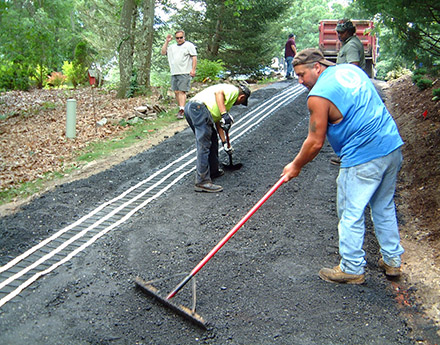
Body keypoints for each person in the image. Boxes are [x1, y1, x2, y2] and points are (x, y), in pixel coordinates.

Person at [282, 48, 404, 284]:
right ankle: (392, 260)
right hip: (391, 146)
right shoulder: (351, 70)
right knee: (383, 206)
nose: (299, 81)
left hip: (363, 156)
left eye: (301, 74)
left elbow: (315, 142)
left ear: (317, 67)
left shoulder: (318, 95)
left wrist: (295, 165)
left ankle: (351, 267)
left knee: (350, 212)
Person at [184, 83, 251, 193]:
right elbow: (218, 93)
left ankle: (213, 170)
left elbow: (219, 124)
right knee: (204, 144)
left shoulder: (224, 103)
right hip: (199, 109)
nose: (238, 104)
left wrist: (225, 143)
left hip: (194, 108)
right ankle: (202, 181)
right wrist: (225, 114)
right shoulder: (233, 91)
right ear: (241, 97)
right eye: (240, 103)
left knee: (212, 139)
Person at [330, 20, 367, 165]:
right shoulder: (351, 43)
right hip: (352, 88)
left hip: (350, 90)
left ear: (351, 31)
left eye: (342, 32)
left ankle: (348, 154)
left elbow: (353, 67)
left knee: (347, 123)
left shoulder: (351, 45)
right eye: (338, 32)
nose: (339, 35)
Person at [161, 30, 197, 119]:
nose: (179, 39)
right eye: (177, 38)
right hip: (174, 72)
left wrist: (193, 69)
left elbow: (194, 57)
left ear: (184, 37)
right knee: (176, 91)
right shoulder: (172, 47)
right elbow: (163, 52)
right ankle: (180, 108)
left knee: (182, 91)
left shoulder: (189, 45)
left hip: (185, 71)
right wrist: (167, 41)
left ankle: (182, 110)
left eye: (181, 37)